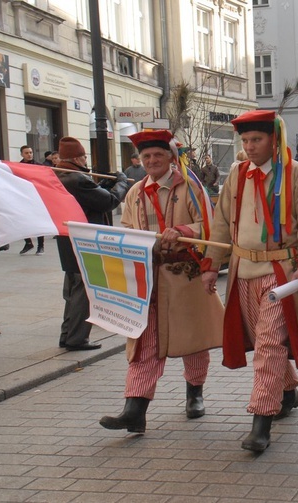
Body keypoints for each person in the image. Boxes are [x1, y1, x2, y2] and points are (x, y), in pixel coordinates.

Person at [201, 109, 298, 452]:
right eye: (245, 141)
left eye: (256, 140)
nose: (250, 147)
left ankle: (261, 422)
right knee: (262, 339)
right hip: (242, 272)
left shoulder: (295, 174)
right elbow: (222, 223)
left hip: (279, 274)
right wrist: (212, 265)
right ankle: (288, 390)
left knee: (268, 345)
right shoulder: (237, 174)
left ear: (273, 140)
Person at [99, 130, 224, 434]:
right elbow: (127, 229)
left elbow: (210, 224)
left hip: (185, 274)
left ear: (170, 157)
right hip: (149, 278)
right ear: (140, 161)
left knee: (192, 340)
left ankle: (194, 393)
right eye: (146, 157)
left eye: (157, 155)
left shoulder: (190, 186)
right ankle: (134, 409)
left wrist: (183, 230)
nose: (152, 161)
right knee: (144, 341)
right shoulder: (135, 192)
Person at [54, 137, 129, 351]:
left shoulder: (59, 176)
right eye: (84, 156)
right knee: (83, 292)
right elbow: (108, 202)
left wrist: (103, 185)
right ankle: (76, 339)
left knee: (72, 289)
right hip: (84, 242)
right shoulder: (76, 179)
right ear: (77, 158)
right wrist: (121, 181)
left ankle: (67, 334)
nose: (86, 159)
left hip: (67, 240)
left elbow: (90, 198)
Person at [18, 145, 46, 255]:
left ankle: (41, 246)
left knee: (38, 222)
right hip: (23, 197)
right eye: (26, 153)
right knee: (22, 221)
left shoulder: (39, 166)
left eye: (30, 152)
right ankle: (28, 243)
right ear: (21, 154)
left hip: (36, 197)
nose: (29, 154)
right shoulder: (17, 167)